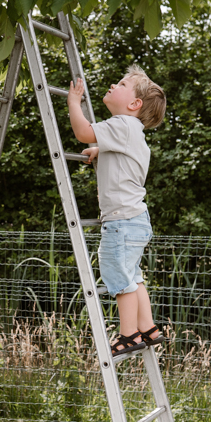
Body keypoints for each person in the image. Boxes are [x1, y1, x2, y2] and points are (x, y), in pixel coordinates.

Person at [66, 65, 168, 358]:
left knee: (119, 276)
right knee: (133, 276)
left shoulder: (121, 124)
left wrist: (75, 103)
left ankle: (128, 335)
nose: (114, 84)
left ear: (134, 104)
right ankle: (148, 328)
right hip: (136, 220)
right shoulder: (131, 132)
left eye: (121, 83)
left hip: (122, 222)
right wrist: (102, 151)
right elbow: (127, 158)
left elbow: (84, 132)